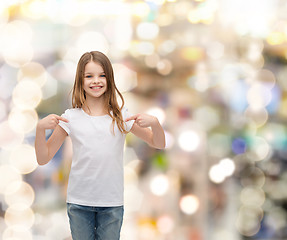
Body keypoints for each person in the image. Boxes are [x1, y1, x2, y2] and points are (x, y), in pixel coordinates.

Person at [34, 51, 165, 240]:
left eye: (102, 75)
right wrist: (40, 130)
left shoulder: (120, 117)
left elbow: (158, 143)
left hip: (111, 203)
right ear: (81, 80)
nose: (96, 81)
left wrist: (155, 123)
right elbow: (43, 157)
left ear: (109, 78)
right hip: (79, 203)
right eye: (89, 76)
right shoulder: (70, 118)